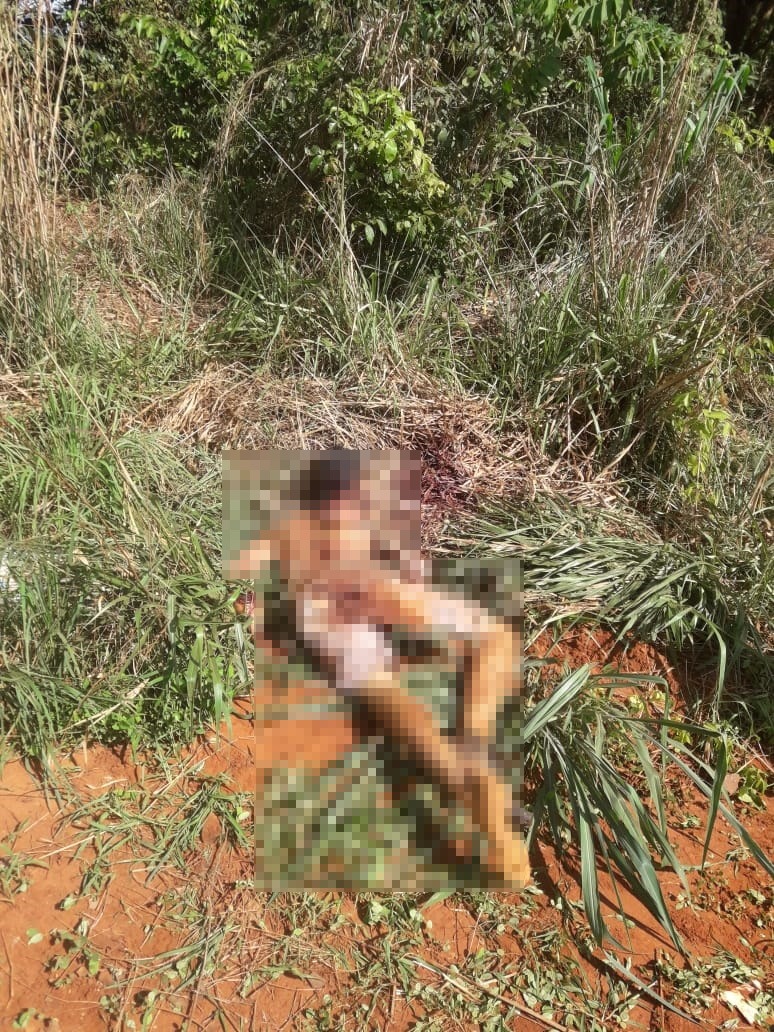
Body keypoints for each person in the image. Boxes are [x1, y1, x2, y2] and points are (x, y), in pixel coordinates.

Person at [227, 452, 528, 887]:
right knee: (416, 722)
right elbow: (250, 572)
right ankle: (495, 827)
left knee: (486, 642)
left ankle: (473, 744)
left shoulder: (329, 530)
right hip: (348, 624)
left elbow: (403, 569)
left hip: (372, 605)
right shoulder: (298, 532)